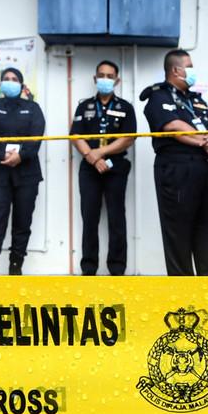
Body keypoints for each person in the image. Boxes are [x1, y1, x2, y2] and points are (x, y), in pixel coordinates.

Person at [140, 49, 208, 275]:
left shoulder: (196, 99)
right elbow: (173, 126)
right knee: (179, 235)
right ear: (176, 70)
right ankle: (183, 292)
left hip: (206, 169)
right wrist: (206, 142)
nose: (193, 71)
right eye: (190, 67)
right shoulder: (158, 96)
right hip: (177, 170)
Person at [71, 60, 136, 276]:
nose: (105, 79)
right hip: (89, 168)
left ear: (117, 80)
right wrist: (92, 157)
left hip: (116, 167)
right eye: (101, 75)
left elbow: (128, 138)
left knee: (117, 217)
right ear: (95, 78)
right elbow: (76, 136)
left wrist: (100, 152)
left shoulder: (125, 107)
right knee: (89, 218)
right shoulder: (84, 106)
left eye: (110, 76)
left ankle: (117, 269)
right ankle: (89, 268)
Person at [0, 66, 45, 275]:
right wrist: (3, 155)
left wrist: (21, 156)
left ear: (22, 85)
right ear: (1, 84)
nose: (10, 81)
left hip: (27, 173)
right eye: (6, 78)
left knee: (22, 223)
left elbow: (36, 137)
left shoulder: (33, 108)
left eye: (14, 79)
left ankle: (16, 267)